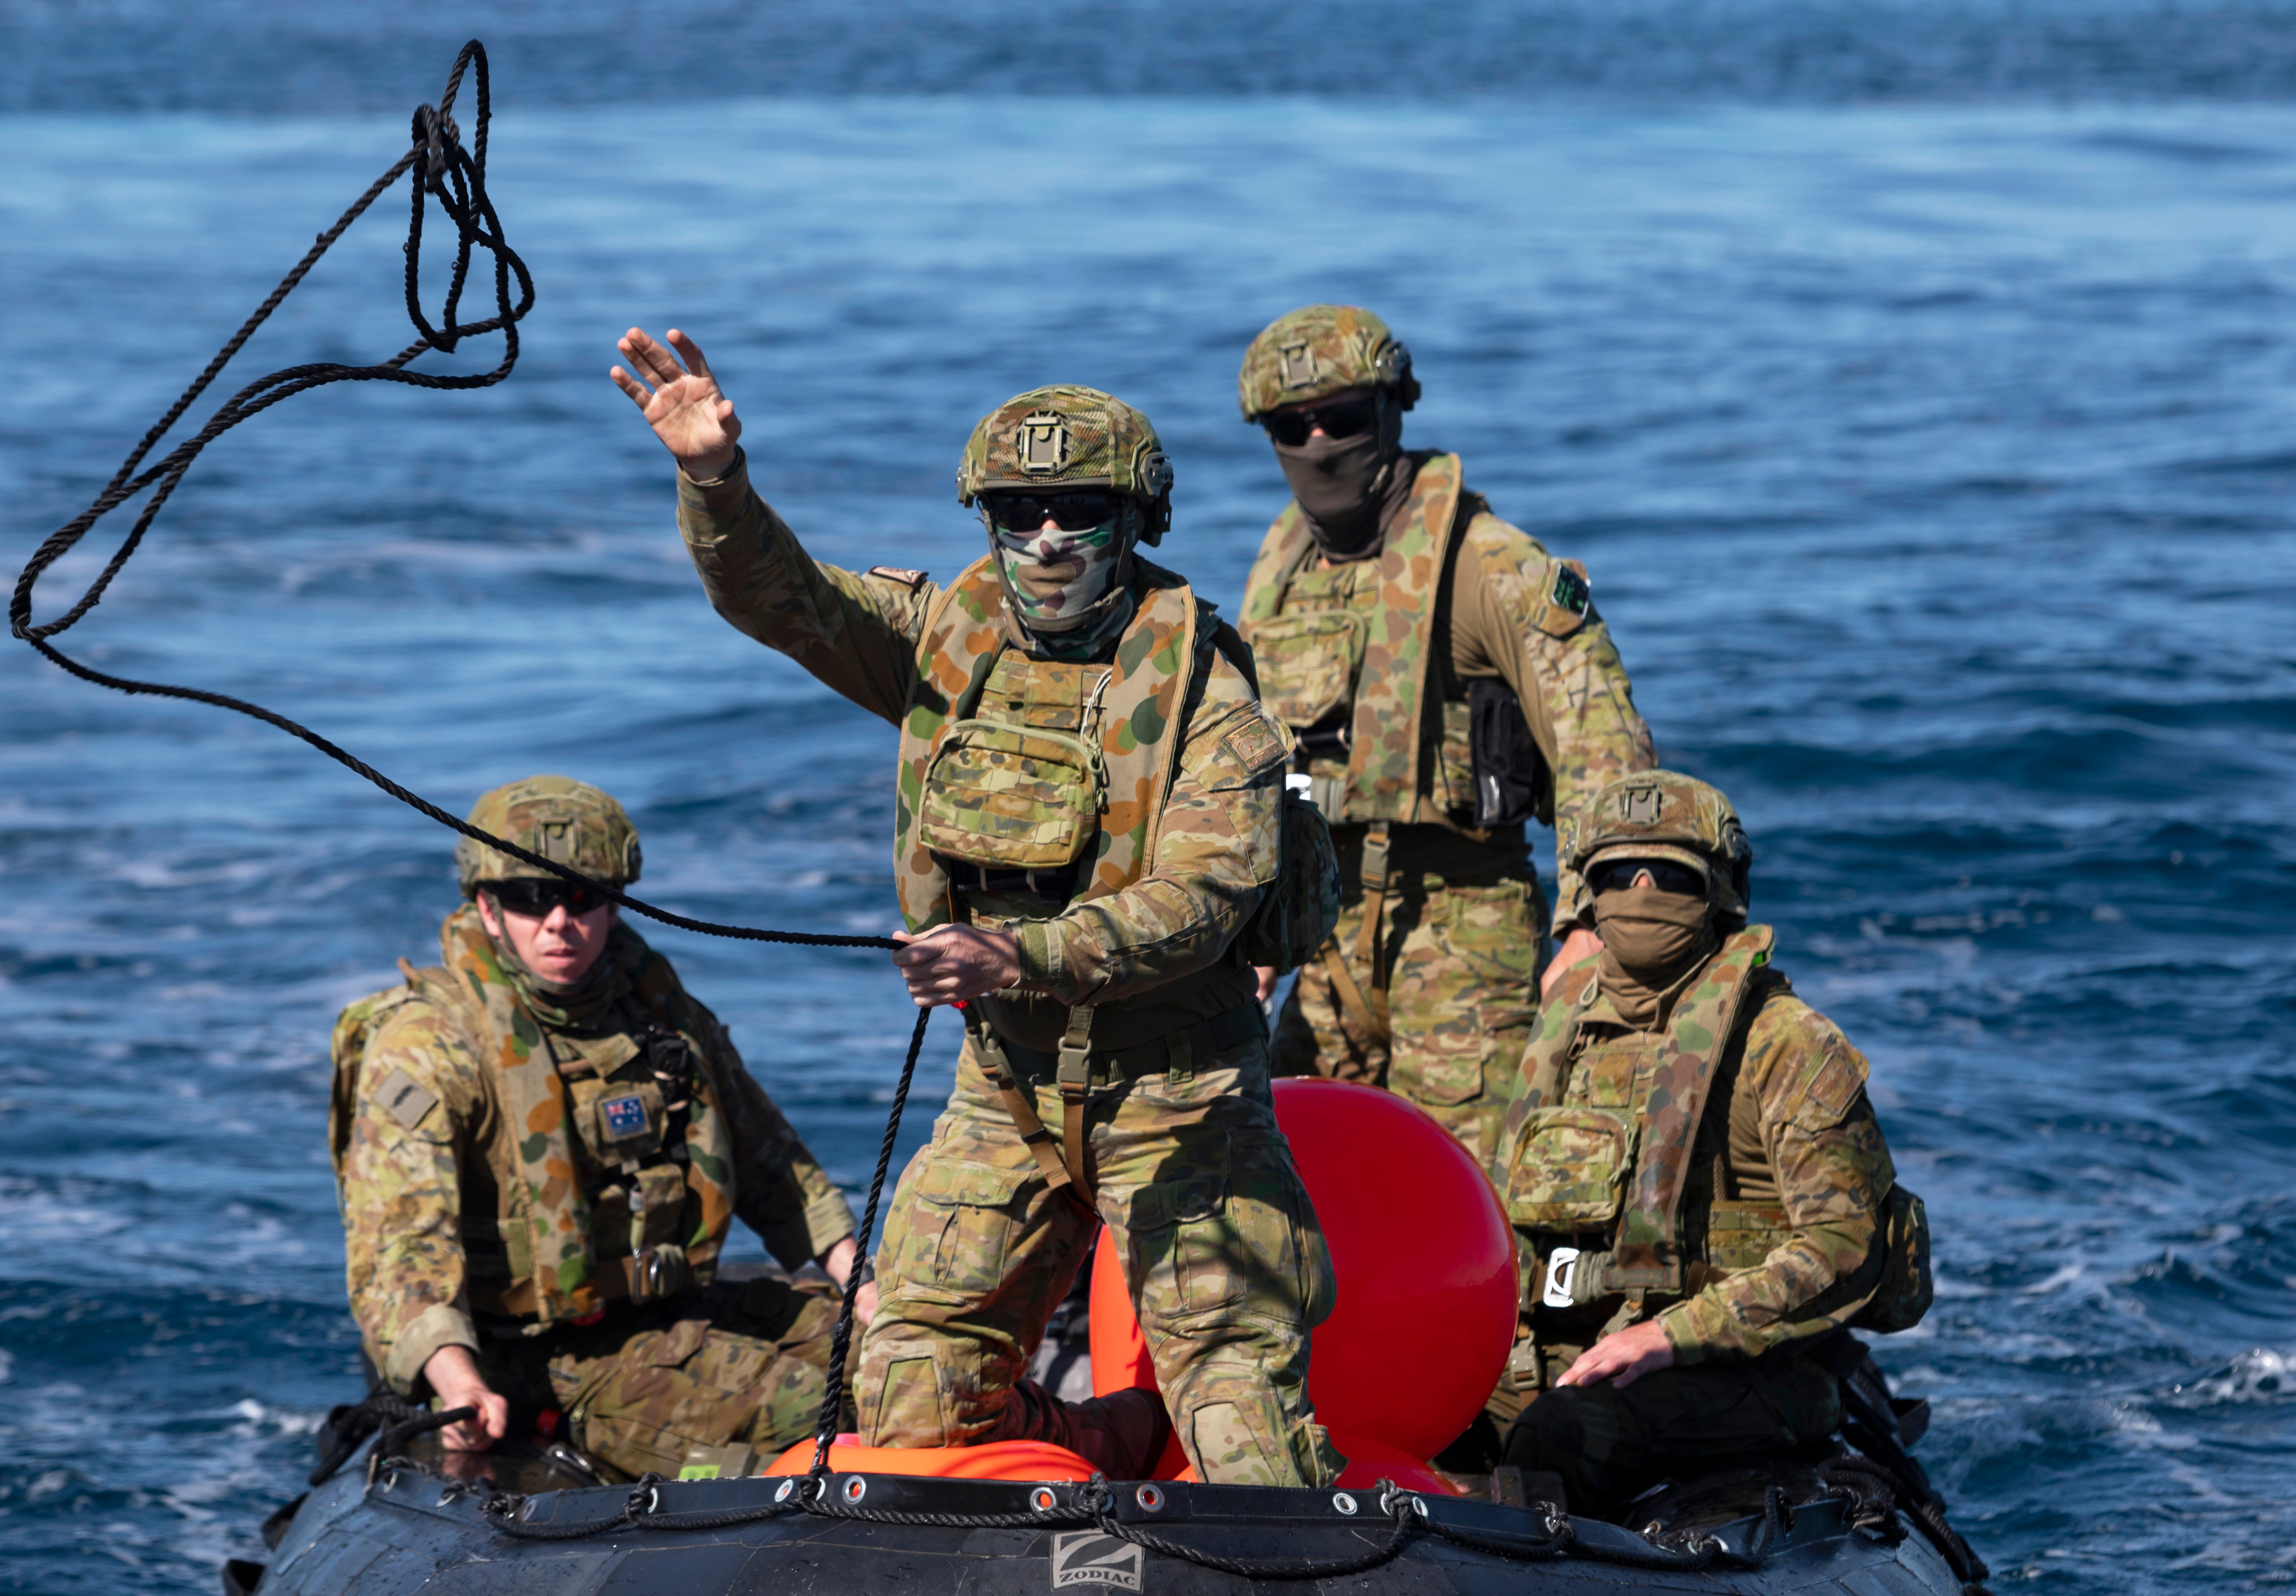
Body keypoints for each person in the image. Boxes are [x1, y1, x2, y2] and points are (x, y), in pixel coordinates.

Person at [609, 326, 1342, 1487]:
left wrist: (1014, 954)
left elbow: (1203, 898)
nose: (1047, 539)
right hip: (1006, 1086)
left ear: (1135, 520)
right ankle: (1104, 1452)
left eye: (1078, 511)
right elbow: (783, 600)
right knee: (909, 1404)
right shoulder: (948, 643)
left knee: (1245, 1425)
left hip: (1177, 1089)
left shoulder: (1210, 692)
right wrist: (715, 479)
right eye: (1018, 512)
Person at [330, 775, 873, 1480]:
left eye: (581, 896)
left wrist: (865, 1288)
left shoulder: (658, 1013)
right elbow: (402, 1249)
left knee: (918, 1362)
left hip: (672, 1311)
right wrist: (458, 1380)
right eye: (530, 898)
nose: (558, 920)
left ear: (614, 906)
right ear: (487, 909)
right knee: (822, 1409)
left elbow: (773, 1165)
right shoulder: (431, 1046)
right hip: (534, 1355)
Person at [1235, 304, 1655, 1181]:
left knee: (1470, 1186)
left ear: (1393, 409)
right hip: (1320, 928)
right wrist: (1248, 924)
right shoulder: (1284, 573)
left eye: (1343, 418)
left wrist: (1589, 925)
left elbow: (1602, 751)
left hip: (1462, 927)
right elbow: (1252, 767)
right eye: (1291, 427)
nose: (1318, 443)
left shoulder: (1492, 568)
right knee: (1282, 1179)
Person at [1493, 771, 1932, 1511]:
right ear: (1586, 891)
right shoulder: (1567, 1023)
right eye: (1615, 874)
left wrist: (1674, 1336)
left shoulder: (1787, 1043)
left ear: (1721, 890)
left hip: (1745, 1364)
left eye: (1667, 874)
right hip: (1576, 1350)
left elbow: (1843, 1245)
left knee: (1553, 1439)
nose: (1640, 889)